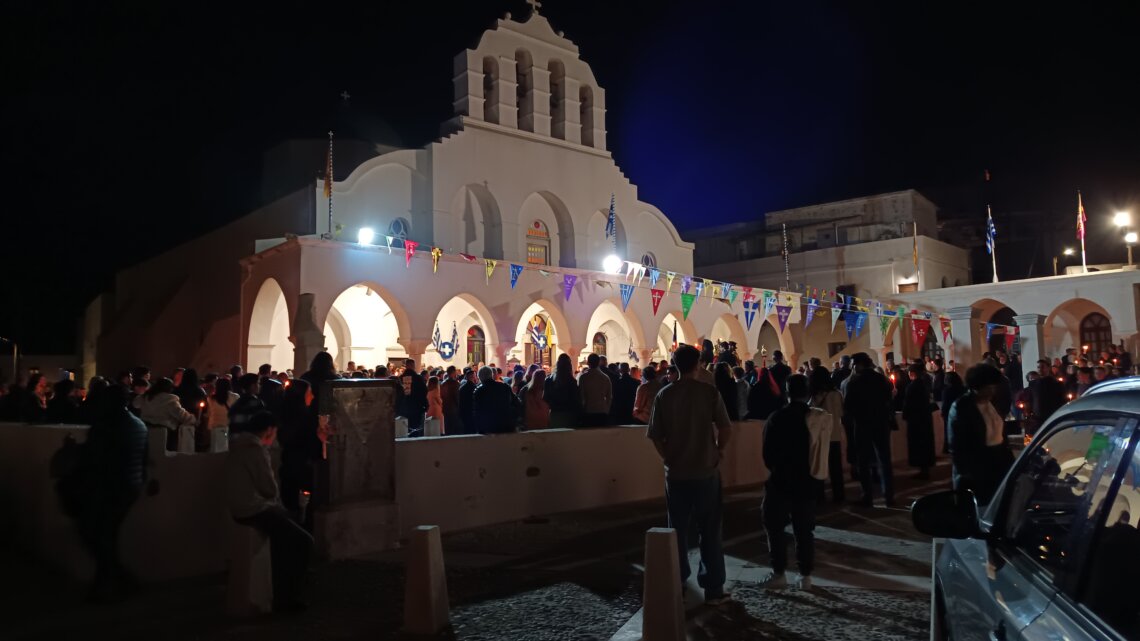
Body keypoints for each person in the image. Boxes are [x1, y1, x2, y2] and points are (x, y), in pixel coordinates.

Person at [646, 344, 733, 605]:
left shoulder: (665, 395)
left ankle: (679, 581)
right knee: (710, 530)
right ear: (698, 365)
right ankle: (713, 587)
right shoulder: (708, 392)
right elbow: (725, 427)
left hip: (677, 473)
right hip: (706, 470)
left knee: (677, 530)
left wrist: (668, 457)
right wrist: (718, 451)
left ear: (674, 364)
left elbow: (654, 436)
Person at [63, 385, 149, 602]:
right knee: (106, 536)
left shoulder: (105, 426)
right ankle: (114, 583)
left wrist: (73, 449)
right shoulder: (139, 425)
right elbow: (144, 459)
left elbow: (95, 458)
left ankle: (116, 582)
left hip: (108, 488)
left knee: (95, 535)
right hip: (131, 486)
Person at [226, 411, 313, 612]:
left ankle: (282, 589)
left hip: (241, 507)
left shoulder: (238, 446)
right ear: (269, 430)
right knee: (303, 541)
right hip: (254, 509)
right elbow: (269, 489)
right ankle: (289, 595)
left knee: (287, 533)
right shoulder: (255, 450)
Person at [762, 374, 825, 589]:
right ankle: (805, 575)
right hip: (808, 481)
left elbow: (767, 454)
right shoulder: (816, 419)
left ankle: (778, 572)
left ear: (787, 392)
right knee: (804, 529)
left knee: (775, 526)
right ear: (807, 393)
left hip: (781, 480)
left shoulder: (777, 418)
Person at [948, 364, 1014, 505]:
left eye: (994, 387)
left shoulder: (993, 404)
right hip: (977, 467)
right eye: (988, 388)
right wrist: (966, 474)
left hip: (998, 461)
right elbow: (957, 445)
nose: (992, 391)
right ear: (977, 386)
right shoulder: (962, 407)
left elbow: (1000, 434)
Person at [843, 353, 895, 507]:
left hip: (862, 424)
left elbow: (848, 406)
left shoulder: (854, 382)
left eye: (853, 364)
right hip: (880, 422)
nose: (852, 367)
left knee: (863, 461)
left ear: (859, 364)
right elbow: (889, 398)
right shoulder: (881, 379)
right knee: (884, 460)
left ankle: (868, 496)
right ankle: (889, 496)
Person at [277, 379, 321, 529]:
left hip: (289, 466)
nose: (312, 396)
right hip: (302, 467)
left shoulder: (284, 414)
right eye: (309, 393)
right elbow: (309, 442)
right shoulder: (305, 417)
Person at [809, 367, 845, 503]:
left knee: (819, 467)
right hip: (835, 434)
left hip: (820, 436)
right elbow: (842, 412)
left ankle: (820, 496)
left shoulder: (817, 395)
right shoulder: (837, 393)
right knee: (836, 468)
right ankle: (839, 495)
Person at [135, 377, 197, 451]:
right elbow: (181, 415)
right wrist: (193, 419)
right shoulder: (170, 400)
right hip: (164, 434)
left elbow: (135, 404)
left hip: (145, 431)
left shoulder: (146, 397)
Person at [903, 364, 936, 479]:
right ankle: (925, 468)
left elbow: (908, 404)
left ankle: (923, 471)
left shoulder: (912, 387)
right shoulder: (924, 385)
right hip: (925, 419)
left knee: (919, 445)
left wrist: (905, 415)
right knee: (925, 444)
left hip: (916, 421)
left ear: (912, 374)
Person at [472, 366, 517, 434]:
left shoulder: (479, 391)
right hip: (506, 426)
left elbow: (476, 411)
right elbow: (517, 403)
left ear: (480, 378)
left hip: (488, 429)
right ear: (491, 375)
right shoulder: (505, 387)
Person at [544, 354, 581, 428]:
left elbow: (545, 398)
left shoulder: (549, 380)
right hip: (569, 415)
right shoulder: (572, 382)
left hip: (555, 414)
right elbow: (576, 400)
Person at [578, 353, 612, 427]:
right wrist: (606, 410)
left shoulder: (583, 378)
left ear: (588, 363)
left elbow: (581, 396)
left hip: (588, 410)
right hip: (602, 411)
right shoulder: (605, 377)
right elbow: (609, 397)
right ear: (598, 362)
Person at [398, 359, 428, 436]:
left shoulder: (400, 378)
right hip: (416, 408)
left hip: (403, 408)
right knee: (415, 430)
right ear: (413, 366)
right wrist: (426, 406)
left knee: (403, 431)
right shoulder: (418, 378)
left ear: (406, 366)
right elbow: (424, 393)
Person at [940, 371, 966, 454]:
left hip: (949, 413)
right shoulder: (963, 388)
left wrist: (943, 413)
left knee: (949, 430)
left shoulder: (947, 390)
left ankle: (949, 447)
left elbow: (945, 404)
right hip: (962, 412)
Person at [440, 366, 462, 436]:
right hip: (453, 410)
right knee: (453, 431)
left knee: (447, 429)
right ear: (453, 372)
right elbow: (457, 398)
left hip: (445, 409)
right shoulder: (455, 384)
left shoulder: (443, 384)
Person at [457, 368, 477, 435]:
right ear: (473, 377)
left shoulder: (462, 388)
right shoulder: (475, 388)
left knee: (466, 431)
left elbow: (460, 401)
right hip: (473, 413)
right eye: (475, 376)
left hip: (464, 413)